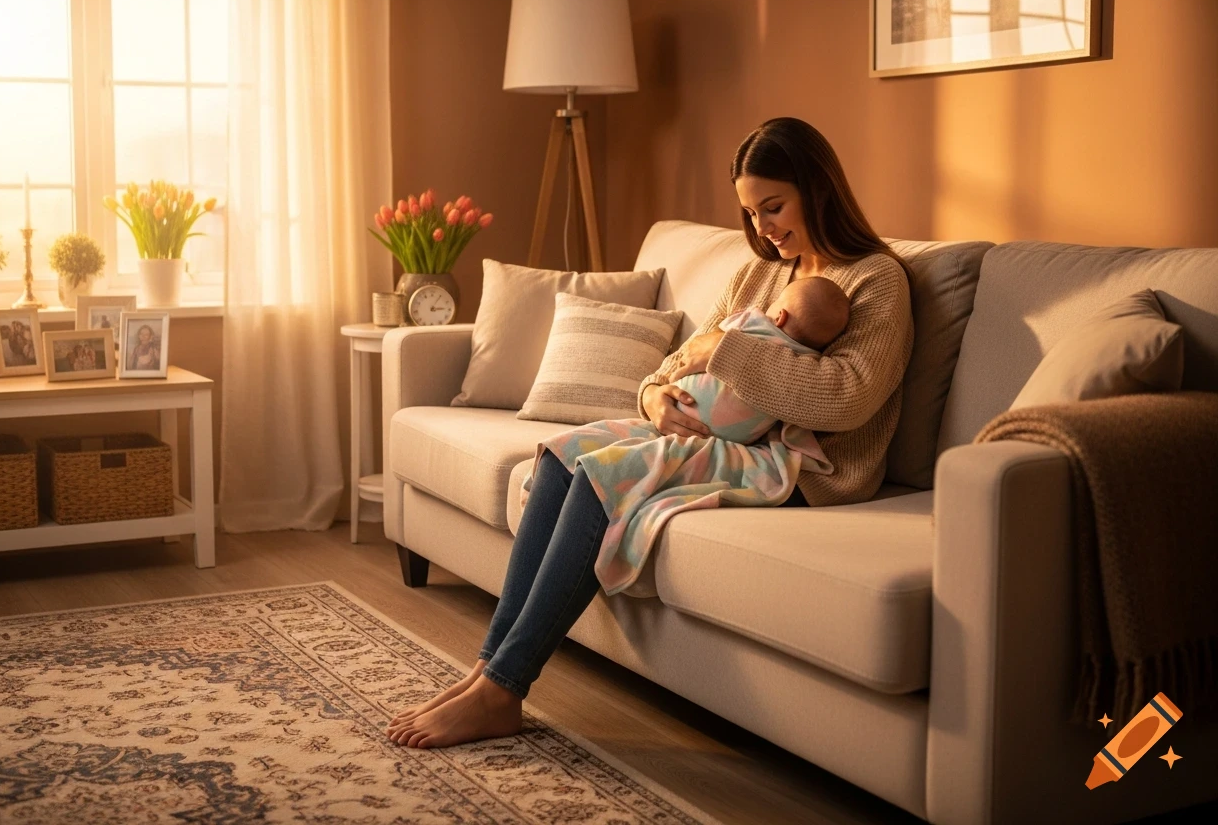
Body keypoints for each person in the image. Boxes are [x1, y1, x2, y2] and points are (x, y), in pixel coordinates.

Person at [385, 116, 914, 750]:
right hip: (718, 435)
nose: (763, 230)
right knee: (562, 455)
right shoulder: (762, 274)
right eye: (751, 215)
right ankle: (488, 668)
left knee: (602, 476)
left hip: (799, 465)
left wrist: (723, 352)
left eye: (773, 207)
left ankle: (505, 687)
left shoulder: (876, 279)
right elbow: (681, 358)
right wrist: (656, 396)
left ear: (817, 188)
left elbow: (845, 398)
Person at [670, 275, 851, 443]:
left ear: (780, 316)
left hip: (687, 405)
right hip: (739, 439)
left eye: (776, 301)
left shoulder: (753, 320)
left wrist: (734, 330)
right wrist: (650, 392)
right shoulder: (811, 360)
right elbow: (693, 350)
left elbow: (701, 342)